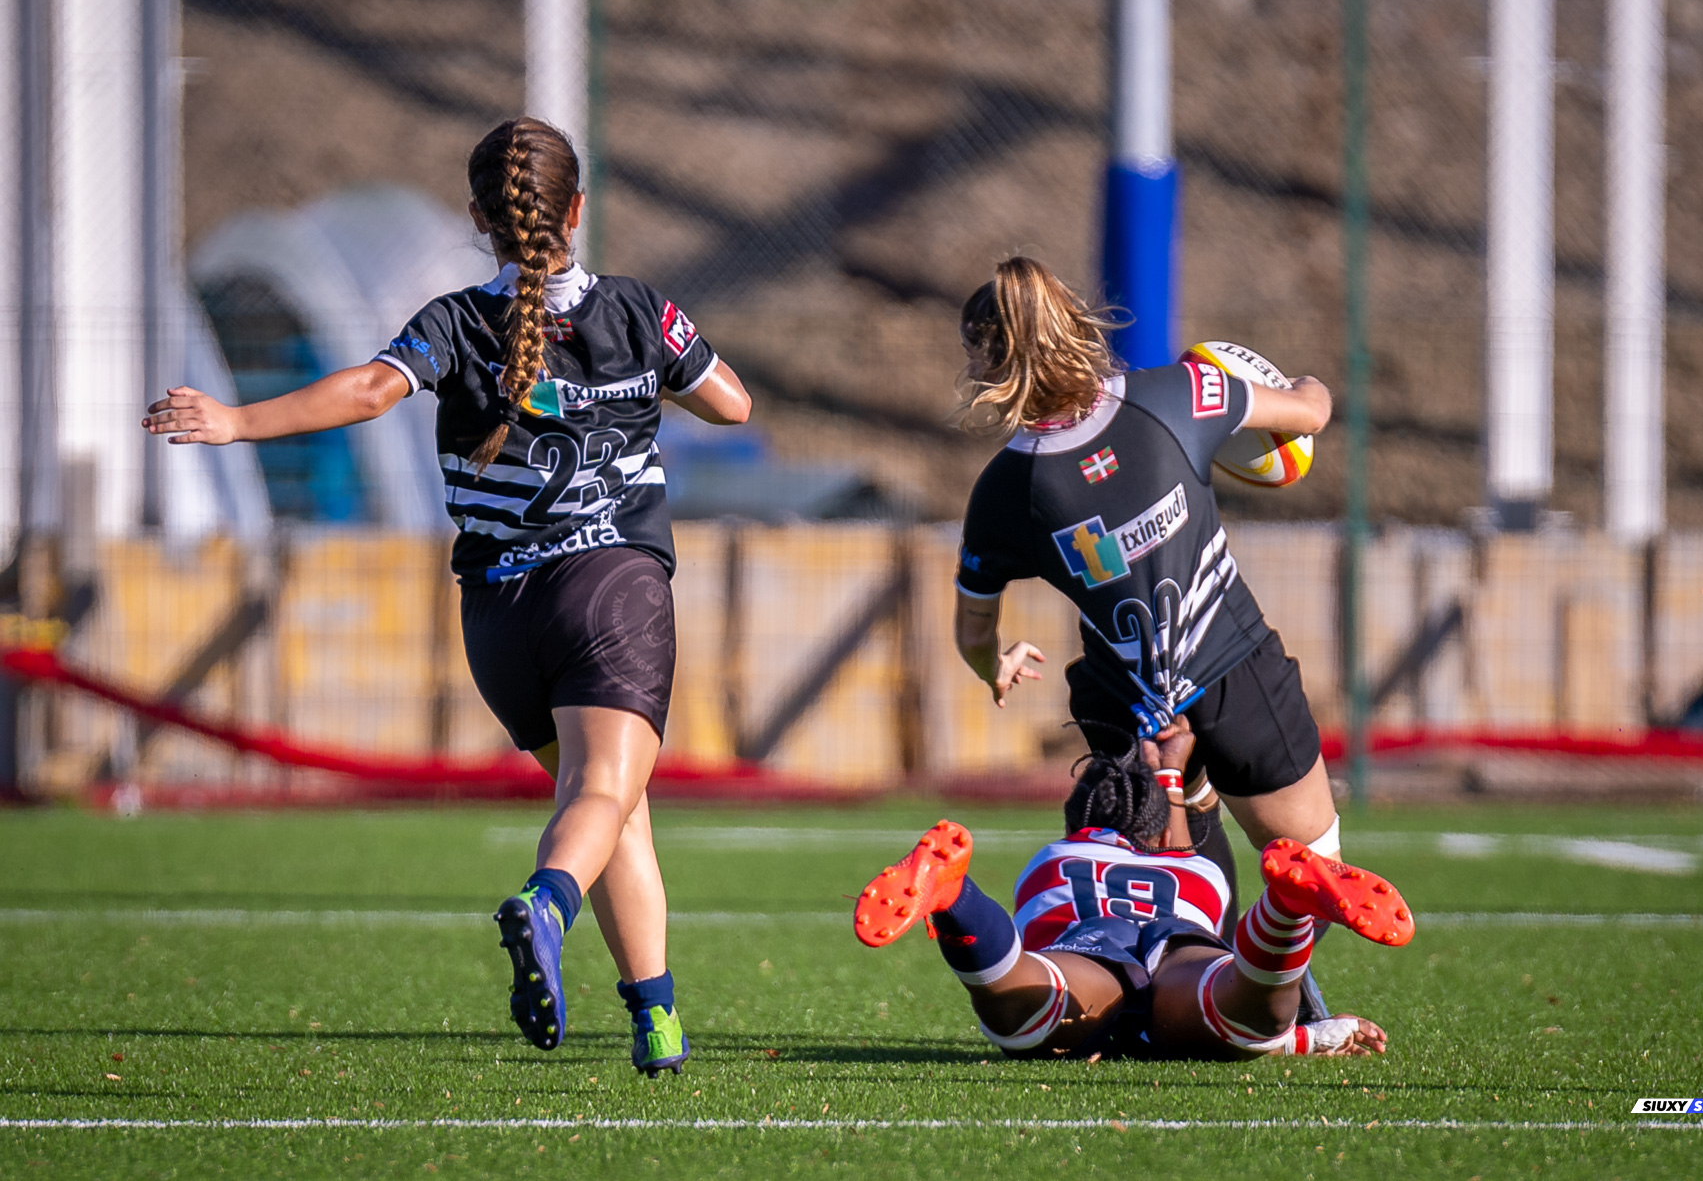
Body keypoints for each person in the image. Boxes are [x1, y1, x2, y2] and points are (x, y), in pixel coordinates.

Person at [142, 117, 751, 1077]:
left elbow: (366, 393)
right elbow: (733, 403)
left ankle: (657, 1020)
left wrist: (235, 419)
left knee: (611, 807)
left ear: (480, 218)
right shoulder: (639, 310)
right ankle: (545, 907)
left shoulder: (455, 321)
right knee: (603, 794)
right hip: (611, 588)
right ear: (578, 211)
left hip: (500, 616)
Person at [950, 258, 1339, 951]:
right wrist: (1304, 385)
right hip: (1237, 669)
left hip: (1128, 706)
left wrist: (994, 665)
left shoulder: (1003, 493)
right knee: (1316, 874)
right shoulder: (1179, 394)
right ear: (1075, 321)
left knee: (1167, 887)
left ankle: (1198, 827)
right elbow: (1310, 411)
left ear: (989, 369)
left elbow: (974, 627)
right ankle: (1283, 998)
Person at [853, 716, 1410, 1060]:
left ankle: (956, 898)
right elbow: (1178, 841)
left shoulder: (1052, 859)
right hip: (1180, 945)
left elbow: (1039, 935)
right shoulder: (1195, 870)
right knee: (1244, 1013)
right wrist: (1170, 772)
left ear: (1078, 821)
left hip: (1089, 949)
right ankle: (1284, 909)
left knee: (1026, 1007)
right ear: (1158, 833)